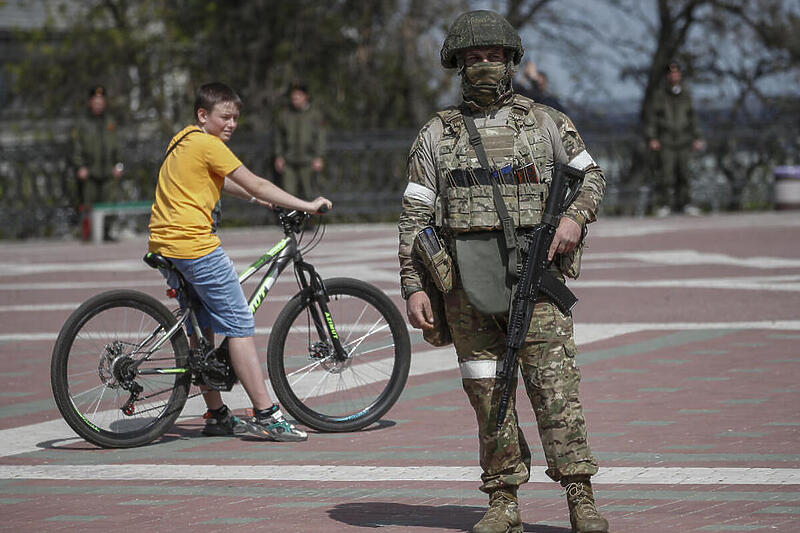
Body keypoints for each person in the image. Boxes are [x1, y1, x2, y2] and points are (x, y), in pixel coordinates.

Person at [398, 10, 609, 533]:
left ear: (511, 61)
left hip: (535, 283)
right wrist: (412, 286)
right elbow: (415, 217)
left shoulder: (546, 123)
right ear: (457, 66)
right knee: (486, 393)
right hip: (464, 291)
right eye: (473, 59)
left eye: (493, 57)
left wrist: (574, 220)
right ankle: (503, 500)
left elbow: (592, 177)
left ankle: (580, 495)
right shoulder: (435, 135)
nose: (484, 66)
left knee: (555, 390)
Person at [148, 82, 332, 441]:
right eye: (224, 117)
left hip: (165, 243)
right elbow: (259, 182)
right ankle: (266, 413)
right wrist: (306, 205)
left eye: (235, 118)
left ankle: (216, 414)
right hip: (194, 245)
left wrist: (257, 200)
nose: (231, 124)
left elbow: (222, 181)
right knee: (239, 322)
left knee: (201, 326)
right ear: (203, 115)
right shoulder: (208, 144)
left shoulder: (183, 140)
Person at [643, 60, 704, 216]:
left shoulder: (686, 94)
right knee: (666, 174)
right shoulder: (660, 95)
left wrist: (697, 137)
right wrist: (652, 137)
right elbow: (652, 119)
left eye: (677, 72)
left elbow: (692, 117)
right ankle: (664, 204)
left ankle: (685, 203)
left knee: (684, 173)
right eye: (671, 73)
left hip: (684, 139)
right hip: (666, 140)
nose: (674, 75)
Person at [70, 85, 124, 241]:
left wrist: (119, 165)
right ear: (90, 102)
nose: (98, 104)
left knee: (109, 202)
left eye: (101, 101)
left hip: (107, 170)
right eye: (96, 101)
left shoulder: (110, 121)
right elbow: (76, 147)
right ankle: (88, 234)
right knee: (88, 203)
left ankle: (106, 232)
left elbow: (117, 146)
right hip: (90, 171)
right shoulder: (82, 123)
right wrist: (80, 166)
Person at [273, 81, 327, 199]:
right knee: (288, 195)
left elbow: (320, 137)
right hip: (289, 160)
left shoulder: (315, 115)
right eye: (293, 95)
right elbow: (279, 137)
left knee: (309, 194)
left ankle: (308, 217)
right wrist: (279, 155)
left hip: (308, 160)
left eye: (298, 95)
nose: (295, 98)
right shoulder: (284, 115)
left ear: (305, 96)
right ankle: (290, 217)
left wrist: (319, 156)